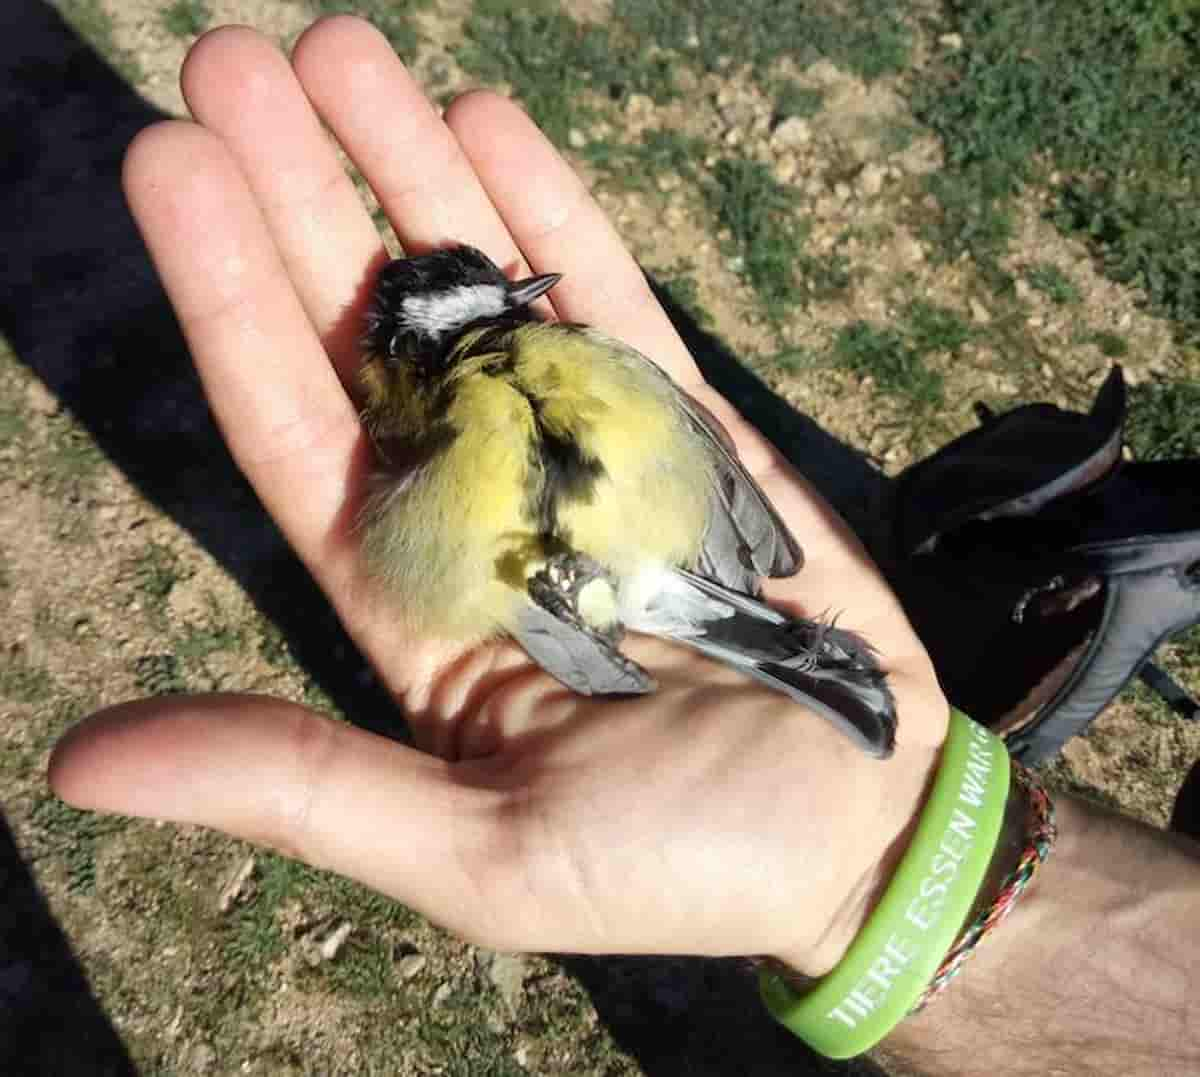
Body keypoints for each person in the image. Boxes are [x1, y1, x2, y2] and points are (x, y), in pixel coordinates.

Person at [47, 16, 1199, 1074]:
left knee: (703, 607)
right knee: (716, 609)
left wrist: (609, 644)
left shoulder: (483, 410)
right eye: (505, 303)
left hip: (630, 581)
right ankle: (780, 651)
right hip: (653, 569)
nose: (528, 301)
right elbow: (687, 468)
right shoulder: (563, 370)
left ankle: (776, 651)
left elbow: (546, 547)